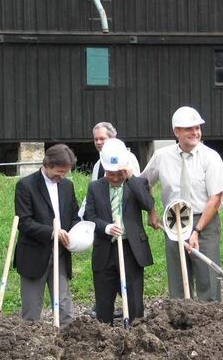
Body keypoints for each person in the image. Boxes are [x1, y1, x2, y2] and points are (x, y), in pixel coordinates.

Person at [141, 106, 223, 302]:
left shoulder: (210, 157)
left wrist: (197, 230)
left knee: (208, 277)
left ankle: (210, 318)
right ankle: (181, 323)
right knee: (178, 278)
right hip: (174, 220)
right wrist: (151, 212)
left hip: (204, 220)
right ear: (176, 131)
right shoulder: (162, 156)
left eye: (197, 128)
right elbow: (143, 183)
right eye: (189, 129)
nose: (195, 133)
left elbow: (216, 198)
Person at [85, 138, 154, 324]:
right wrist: (106, 227)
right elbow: (89, 216)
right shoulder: (95, 187)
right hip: (105, 248)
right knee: (104, 295)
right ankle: (104, 329)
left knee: (133, 296)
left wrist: (131, 178)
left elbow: (148, 204)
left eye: (119, 173)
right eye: (110, 174)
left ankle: (135, 327)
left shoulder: (138, 183)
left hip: (131, 248)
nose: (115, 178)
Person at [14, 143, 81, 325]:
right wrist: (52, 233)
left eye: (66, 171)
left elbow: (74, 215)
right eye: (59, 171)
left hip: (60, 251)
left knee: (64, 305)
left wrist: (75, 233)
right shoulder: (25, 185)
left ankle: (68, 342)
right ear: (47, 165)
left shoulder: (67, 186)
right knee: (31, 309)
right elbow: (24, 222)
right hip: (34, 254)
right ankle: (31, 345)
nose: (62, 175)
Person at [79, 122, 140, 219]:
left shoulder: (128, 158)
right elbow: (92, 193)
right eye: (96, 139)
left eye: (102, 139)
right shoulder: (97, 165)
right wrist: (81, 216)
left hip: (125, 214)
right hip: (103, 217)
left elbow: (137, 185)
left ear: (113, 139)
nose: (98, 142)